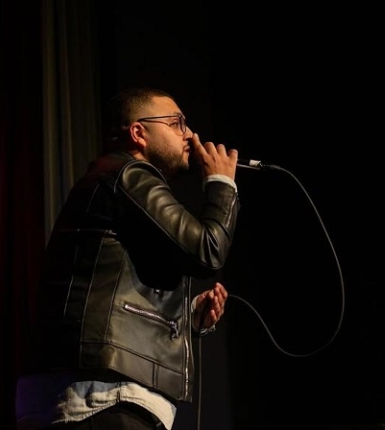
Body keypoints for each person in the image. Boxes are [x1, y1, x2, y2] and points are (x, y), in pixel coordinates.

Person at [15, 87, 241, 430]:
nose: (189, 135)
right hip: (104, 398)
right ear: (139, 132)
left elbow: (118, 286)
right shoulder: (129, 174)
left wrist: (188, 318)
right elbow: (206, 251)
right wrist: (221, 184)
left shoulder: (117, 184)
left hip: (94, 394)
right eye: (176, 123)